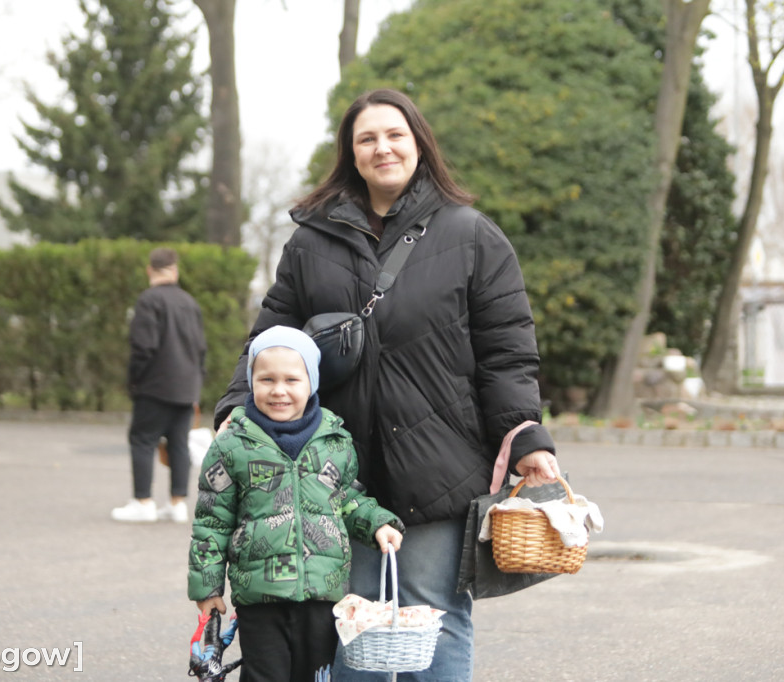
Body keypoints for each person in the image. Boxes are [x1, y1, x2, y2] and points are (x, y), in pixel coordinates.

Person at [212, 88, 562, 681]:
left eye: (395, 135)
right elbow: (271, 336)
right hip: (332, 467)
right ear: (351, 154)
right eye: (367, 138)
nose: (383, 148)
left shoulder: (472, 235)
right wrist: (238, 403)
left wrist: (525, 435)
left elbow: (506, 352)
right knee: (345, 618)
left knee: (438, 613)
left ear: (419, 144)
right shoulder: (311, 241)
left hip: (438, 462)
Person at [189, 325, 405, 682]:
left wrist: (378, 523)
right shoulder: (231, 445)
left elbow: (347, 498)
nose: (279, 390)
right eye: (266, 379)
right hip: (260, 596)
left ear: (312, 382)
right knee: (264, 675)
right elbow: (212, 522)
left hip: (322, 593)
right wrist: (208, 588)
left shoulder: (335, 440)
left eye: (292, 379)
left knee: (316, 675)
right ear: (251, 381)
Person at [112, 247, 206, 524]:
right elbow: (201, 349)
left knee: (142, 440)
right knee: (178, 445)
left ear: (149, 270)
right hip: (187, 387)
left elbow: (143, 347)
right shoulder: (190, 303)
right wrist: (196, 386)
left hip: (155, 386)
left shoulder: (148, 300)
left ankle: (143, 502)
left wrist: (135, 381)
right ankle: (178, 504)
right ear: (175, 271)